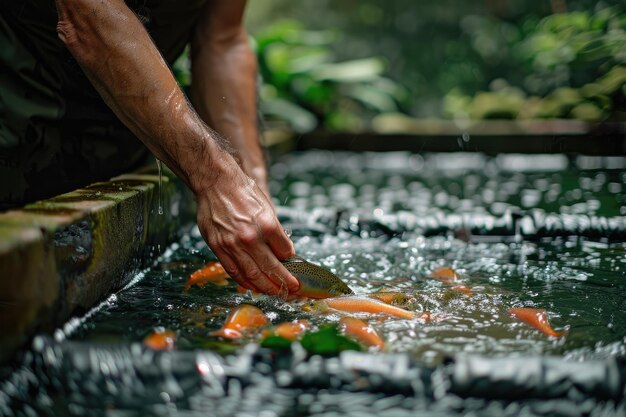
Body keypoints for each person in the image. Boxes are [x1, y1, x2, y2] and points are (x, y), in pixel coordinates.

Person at [0, 0, 300, 296]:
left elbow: (221, 38)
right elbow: (87, 15)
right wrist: (214, 177)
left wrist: (250, 186)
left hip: (132, 138)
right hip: (19, 134)